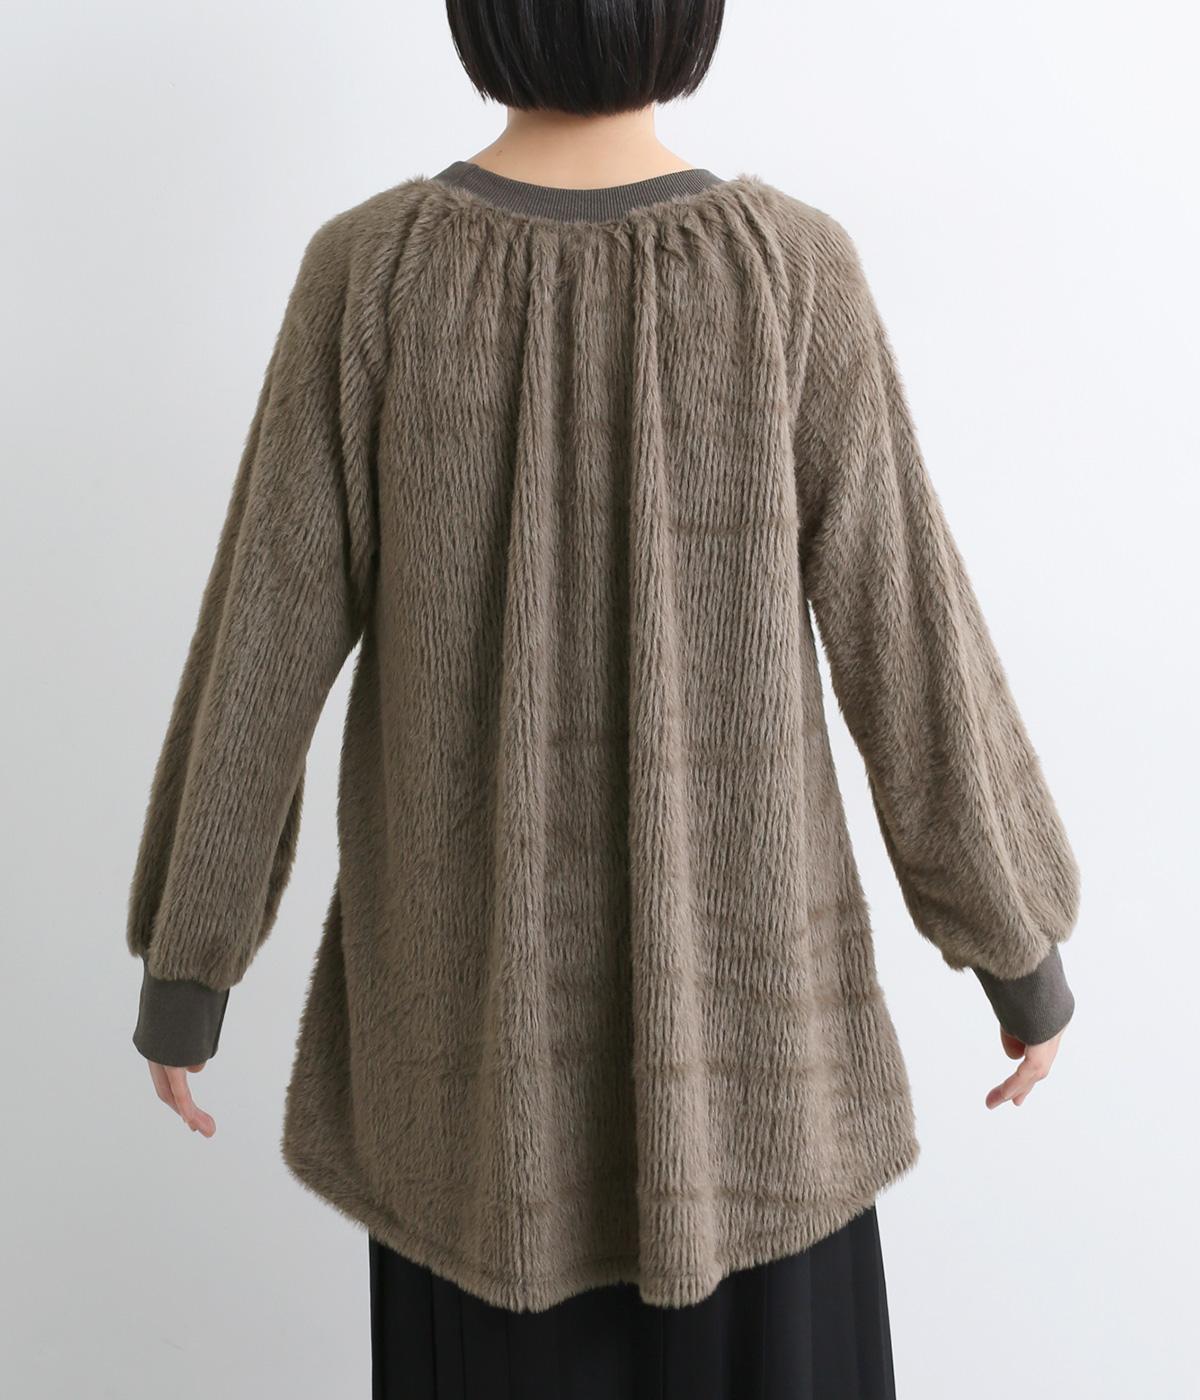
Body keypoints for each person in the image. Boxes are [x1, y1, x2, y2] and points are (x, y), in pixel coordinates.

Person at [126, 2, 1080, 1395]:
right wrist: (1017, 949)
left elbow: (260, 647)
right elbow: (910, 641)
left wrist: (187, 970)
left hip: (475, 1118)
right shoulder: (787, 271)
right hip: (755, 1087)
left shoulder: (372, 275)